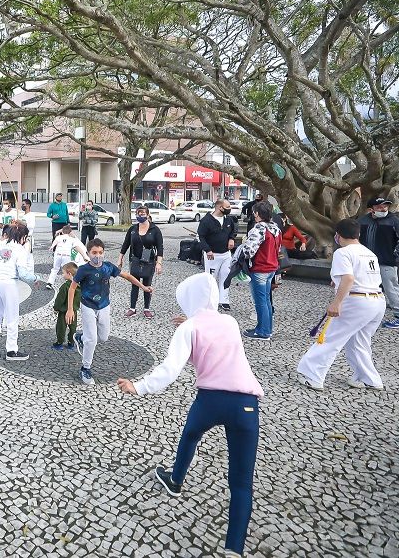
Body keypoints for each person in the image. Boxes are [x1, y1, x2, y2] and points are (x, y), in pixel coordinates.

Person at [117, 273, 263, 558]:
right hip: (246, 404)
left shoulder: (189, 328)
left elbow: (171, 369)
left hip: (210, 400)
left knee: (191, 435)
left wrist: (139, 386)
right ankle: (234, 548)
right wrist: (192, 325)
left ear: (187, 299)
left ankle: (175, 480)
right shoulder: (230, 322)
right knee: (242, 482)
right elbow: (216, 339)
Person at [297, 218, 386, 391]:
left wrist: (336, 302)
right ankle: (369, 378)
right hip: (376, 300)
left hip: (357, 301)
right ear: (358, 234)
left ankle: (312, 375)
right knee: (359, 341)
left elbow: (349, 278)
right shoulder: (369, 252)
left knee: (331, 337)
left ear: (337, 235)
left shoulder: (343, 253)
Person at [66, 239, 152, 385]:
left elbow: (127, 276)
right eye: (94, 253)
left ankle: (81, 338)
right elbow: (72, 288)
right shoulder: (83, 269)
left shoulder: (108, 267)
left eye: (100, 252)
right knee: (92, 340)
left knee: (103, 337)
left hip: (104, 305)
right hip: (87, 305)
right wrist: (70, 309)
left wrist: (143, 287)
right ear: (88, 253)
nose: (97, 256)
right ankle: (85, 368)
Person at [0, 222, 42, 361]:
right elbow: (23, 274)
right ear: (22, 236)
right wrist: (36, 278)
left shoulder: (0, 246)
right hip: (8, 283)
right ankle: (11, 350)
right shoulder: (20, 250)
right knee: (12, 317)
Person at [357, 197, 399, 329]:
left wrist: (394, 255)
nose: (384, 208)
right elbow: (355, 237)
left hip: (387, 261)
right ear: (371, 209)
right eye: (380, 206)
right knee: (368, 288)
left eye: (385, 206)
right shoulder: (362, 221)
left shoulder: (395, 221)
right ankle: (370, 314)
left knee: (391, 287)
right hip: (366, 261)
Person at [238, 201, 282, 339]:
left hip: (260, 268)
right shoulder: (276, 228)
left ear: (257, 213)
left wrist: (242, 247)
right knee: (267, 300)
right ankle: (266, 329)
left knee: (260, 301)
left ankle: (262, 331)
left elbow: (249, 251)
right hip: (271, 267)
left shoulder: (259, 229)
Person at [117, 205, 164, 318]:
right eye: (138, 213)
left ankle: (146, 308)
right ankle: (132, 308)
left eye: (143, 213)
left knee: (147, 283)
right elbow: (125, 244)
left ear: (148, 215)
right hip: (135, 260)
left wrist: (159, 262)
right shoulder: (133, 229)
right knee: (134, 283)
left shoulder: (155, 230)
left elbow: (160, 247)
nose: (140, 216)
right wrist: (120, 258)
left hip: (149, 261)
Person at [197, 198, 237, 311]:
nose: (229, 209)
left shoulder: (228, 220)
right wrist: (207, 249)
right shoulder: (206, 221)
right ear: (220, 207)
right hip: (212, 254)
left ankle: (224, 300)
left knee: (226, 276)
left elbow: (233, 231)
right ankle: (209, 300)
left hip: (226, 254)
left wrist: (231, 239)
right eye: (227, 207)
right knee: (211, 279)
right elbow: (201, 237)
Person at [52, 262, 79, 350]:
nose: (62, 275)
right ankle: (71, 343)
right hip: (74, 311)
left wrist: (56, 308)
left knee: (61, 327)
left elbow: (60, 299)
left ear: (69, 273)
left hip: (63, 312)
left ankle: (59, 343)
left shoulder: (65, 286)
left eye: (63, 273)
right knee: (73, 327)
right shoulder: (79, 286)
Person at [20, 199, 36, 270]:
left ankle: (30, 272)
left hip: (28, 238)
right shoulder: (23, 215)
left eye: (23, 204)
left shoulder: (31, 215)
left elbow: (31, 226)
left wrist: (21, 222)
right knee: (23, 255)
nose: (22, 206)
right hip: (22, 238)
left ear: (28, 205)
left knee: (29, 256)